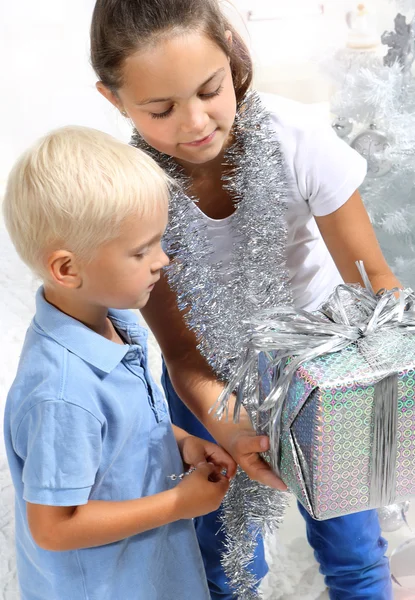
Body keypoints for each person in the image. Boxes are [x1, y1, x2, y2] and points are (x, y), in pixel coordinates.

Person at [90, 1, 397, 598]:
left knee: (354, 551)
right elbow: (179, 351)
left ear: (231, 54)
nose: (195, 121)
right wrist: (231, 432)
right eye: (161, 109)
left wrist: (386, 388)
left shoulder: (298, 140)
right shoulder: (132, 192)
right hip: (203, 381)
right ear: (114, 99)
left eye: (210, 89)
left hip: (325, 373)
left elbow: (374, 283)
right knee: (226, 564)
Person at [2, 126, 235, 600]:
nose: (163, 260)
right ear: (68, 269)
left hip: (152, 572)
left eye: (158, 242)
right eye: (140, 250)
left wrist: (182, 441)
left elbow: (119, 430)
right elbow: (54, 528)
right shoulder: (63, 393)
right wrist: (177, 503)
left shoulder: (110, 325)